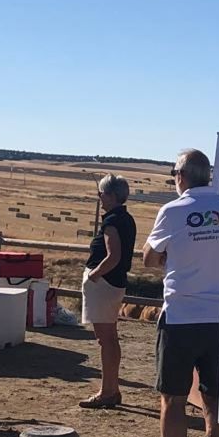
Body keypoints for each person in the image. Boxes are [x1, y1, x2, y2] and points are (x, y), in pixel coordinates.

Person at [140, 149, 219, 437]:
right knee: (215, 402)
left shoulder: (173, 210)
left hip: (181, 316)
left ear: (181, 176)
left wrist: (172, 257)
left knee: (173, 399)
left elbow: (149, 258)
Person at [77, 174, 135, 409]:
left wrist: (94, 274)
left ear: (110, 196)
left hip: (104, 284)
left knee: (105, 340)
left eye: (101, 194)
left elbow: (113, 256)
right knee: (110, 338)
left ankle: (108, 391)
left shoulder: (112, 221)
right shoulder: (126, 218)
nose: (99, 198)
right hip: (114, 283)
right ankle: (112, 388)